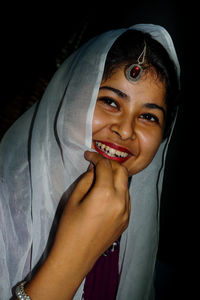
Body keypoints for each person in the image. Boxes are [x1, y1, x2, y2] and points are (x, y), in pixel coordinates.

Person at [0, 24, 180, 300]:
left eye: (149, 117)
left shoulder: (127, 219)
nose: (126, 130)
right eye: (110, 101)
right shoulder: (6, 205)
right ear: (70, 100)